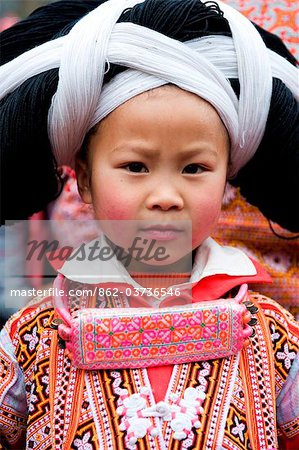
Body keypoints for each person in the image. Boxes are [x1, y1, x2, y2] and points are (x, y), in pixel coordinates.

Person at [0, 1, 298, 449]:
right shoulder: (29, 336)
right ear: (83, 178)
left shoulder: (273, 334)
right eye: (136, 166)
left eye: (195, 168)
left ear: (226, 180)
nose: (165, 196)